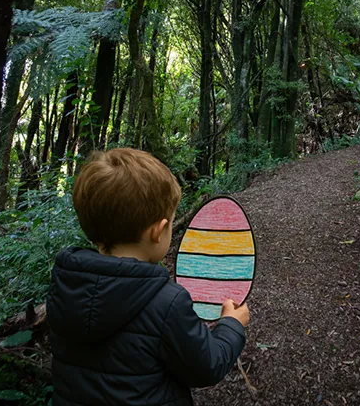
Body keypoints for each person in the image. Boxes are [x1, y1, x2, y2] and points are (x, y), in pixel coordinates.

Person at [47, 148, 250, 406]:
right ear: (159, 231)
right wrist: (231, 325)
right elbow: (207, 366)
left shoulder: (66, 285)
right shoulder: (167, 303)